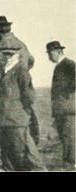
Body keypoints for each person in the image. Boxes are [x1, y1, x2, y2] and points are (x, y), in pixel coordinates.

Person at [0, 16, 40, 146]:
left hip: (11, 104)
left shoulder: (1, 50)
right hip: (23, 97)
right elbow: (31, 61)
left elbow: (2, 79)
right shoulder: (22, 45)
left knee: (20, 148)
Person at [0, 47, 46, 171]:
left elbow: (29, 96)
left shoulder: (21, 71)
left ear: (13, 56)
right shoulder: (5, 72)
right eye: (2, 55)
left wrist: (23, 113)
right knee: (11, 157)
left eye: (6, 55)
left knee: (26, 156)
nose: (2, 58)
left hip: (17, 120)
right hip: (7, 121)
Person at [46, 41, 75, 170]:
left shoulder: (69, 64)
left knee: (69, 137)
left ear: (58, 52)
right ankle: (68, 164)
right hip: (61, 109)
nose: (49, 57)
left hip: (67, 109)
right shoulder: (60, 66)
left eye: (50, 54)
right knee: (65, 137)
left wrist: (64, 93)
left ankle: (71, 165)